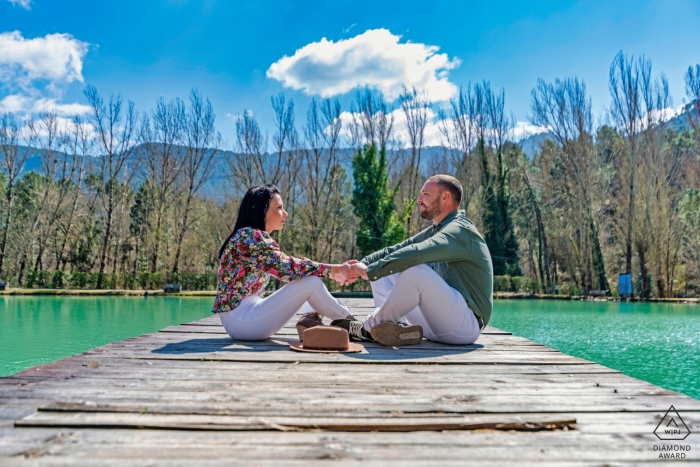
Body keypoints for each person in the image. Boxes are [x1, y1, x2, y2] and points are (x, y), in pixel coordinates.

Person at [333, 174, 493, 347]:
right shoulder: (437, 230)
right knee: (386, 268)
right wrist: (360, 265)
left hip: (465, 327)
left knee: (414, 270)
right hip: (436, 325)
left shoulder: (460, 231)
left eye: (425, 194)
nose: (419, 199)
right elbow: (396, 250)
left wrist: (371, 271)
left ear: (445, 197)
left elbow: (416, 253)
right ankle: (391, 327)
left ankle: (368, 328)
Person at [213, 185, 358, 341]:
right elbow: (288, 268)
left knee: (308, 276)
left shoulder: (251, 237)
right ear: (262, 211)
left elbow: (294, 267)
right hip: (242, 320)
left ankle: (310, 318)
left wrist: (332, 272)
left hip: (244, 318)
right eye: (279, 207)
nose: (285, 213)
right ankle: (352, 324)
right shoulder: (248, 236)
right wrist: (337, 269)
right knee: (311, 282)